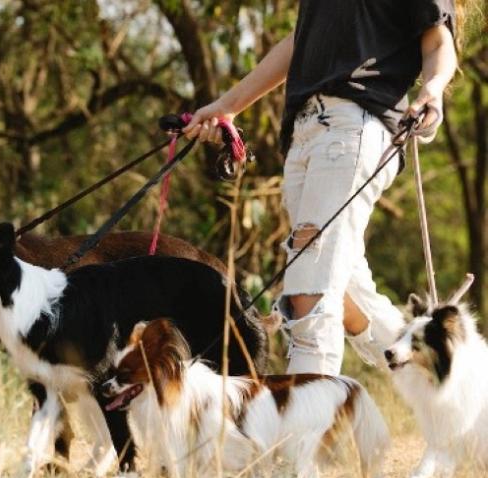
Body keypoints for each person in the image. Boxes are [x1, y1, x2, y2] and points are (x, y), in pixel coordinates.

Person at [184, 0, 462, 375]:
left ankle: (305, 428)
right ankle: (446, 375)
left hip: (353, 128)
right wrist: (227, 106)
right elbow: (300, 42)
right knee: (343, 289)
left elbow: (437, 39)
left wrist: (433, 90)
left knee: (309, 293)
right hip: (303, 134)